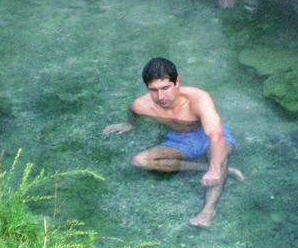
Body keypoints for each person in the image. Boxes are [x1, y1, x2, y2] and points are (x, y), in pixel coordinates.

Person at [103, 57, 244, 228]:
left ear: (177, 82)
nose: (160, 96)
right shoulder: (142, 105)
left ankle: (208, 210)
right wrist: (129, 124)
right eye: (153, 90)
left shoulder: (198, 99)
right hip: (180, 141)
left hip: (209, 136)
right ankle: (210, 169)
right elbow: (133, 111)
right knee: (139, 161)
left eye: (165, 88)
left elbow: (216, 135)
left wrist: (215, 168)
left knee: (219, 155)